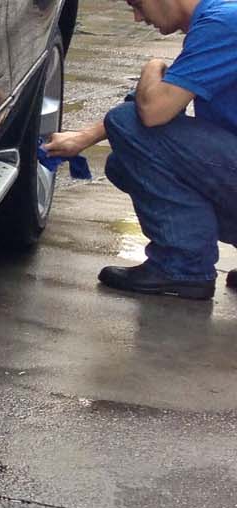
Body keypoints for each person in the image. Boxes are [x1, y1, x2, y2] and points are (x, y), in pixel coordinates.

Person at [45, 0, 237, 300]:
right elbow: (167, 98)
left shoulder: (224, 24)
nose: (137, 18)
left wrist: (153, 65)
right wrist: (83, 137)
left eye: (137, 4)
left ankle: (183, 267)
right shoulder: (221, 19)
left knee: (131, 126)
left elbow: (153, 111)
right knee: (125, 162)